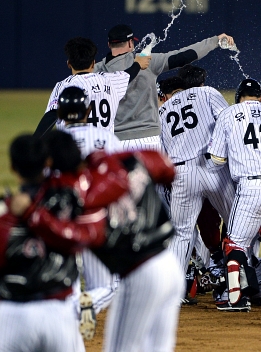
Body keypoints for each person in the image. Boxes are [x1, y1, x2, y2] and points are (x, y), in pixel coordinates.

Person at [43, 130, 183, 352]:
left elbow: (88, 236)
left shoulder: (79, 195)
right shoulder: (126, 160)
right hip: (171, 267)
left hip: (141, 276)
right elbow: (166, 168)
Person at [0, 134, 103, 352]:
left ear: (12, 167)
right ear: (47, 163)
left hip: (13, 316)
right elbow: (85, 237)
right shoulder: (69, 204)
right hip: (60, 314)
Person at [208, 78, 261, 311]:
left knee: (234, 242)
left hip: (252, 186)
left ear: (238, 99)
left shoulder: (229, 114)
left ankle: (236, 298)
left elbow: (216, 160)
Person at [158, 67, 235, 303]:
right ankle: (237, 284)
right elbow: (229, 123)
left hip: (181, 172)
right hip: (213, 166)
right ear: (202, 81)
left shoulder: (162, 110)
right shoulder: (208, 93)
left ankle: (174, 293)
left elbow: (161, 151)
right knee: (236, 225)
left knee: (181, 234)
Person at [94, 23, 235, 151]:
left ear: (109, 44)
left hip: (114, 142)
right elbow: (185, 56)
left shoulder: (96, 71)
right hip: (147, 141)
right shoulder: (147, 61)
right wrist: (214, 41)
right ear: (130, 43)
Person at [55, 86, 126, 340]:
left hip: (60, 223)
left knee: (66, 285)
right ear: (88, 109)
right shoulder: (104, 137)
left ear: (60, 111)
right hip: (96, 222)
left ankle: (69, 319)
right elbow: (123, 178)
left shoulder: (53, 143)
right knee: (109, 287)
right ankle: (83, 306)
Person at [34, 36, 150, 137]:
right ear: (93, 63)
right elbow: (129, 74)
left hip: (75, 153)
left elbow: (51, 116)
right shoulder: (110, 80)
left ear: (69, 64)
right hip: (104, 151)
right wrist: (138, 63)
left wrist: (34, 143)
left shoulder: (63, 86)